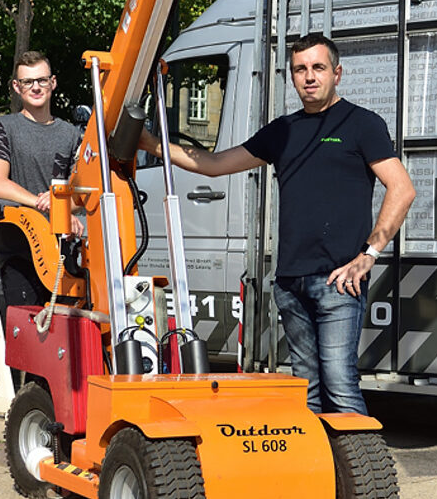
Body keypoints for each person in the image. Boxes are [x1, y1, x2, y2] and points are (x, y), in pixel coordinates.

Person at [142, 32, 415, 414]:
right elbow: (215, 165)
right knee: (307, 391)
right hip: (290, 282)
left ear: (337, 73)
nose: (309, 77)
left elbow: (402, 190)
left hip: (338, 281)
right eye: (300, 69)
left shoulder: (362, 124)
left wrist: (368, 255)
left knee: (340, 386)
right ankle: (320, 474)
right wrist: (148, 143)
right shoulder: (283, 131)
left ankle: (365, 474)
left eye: (318, 68)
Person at [0, 50, 82, 307]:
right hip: (20, 252)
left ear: (53, 82)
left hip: (64, 253)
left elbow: (81, 192)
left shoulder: (72, 134)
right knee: (27, 336)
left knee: (68, 338)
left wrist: (64, 206)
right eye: (28, 82)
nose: (35, 87)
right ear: (17, 87)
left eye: (41, 80)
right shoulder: (3, 128)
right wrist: (44, 202)